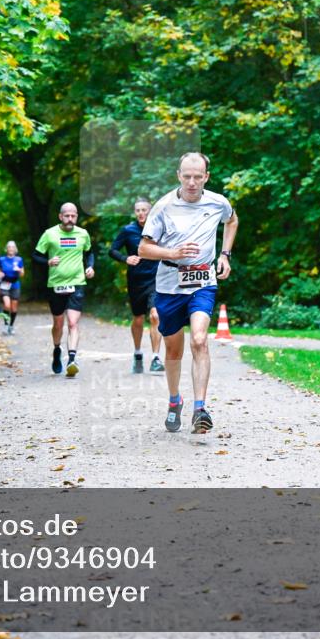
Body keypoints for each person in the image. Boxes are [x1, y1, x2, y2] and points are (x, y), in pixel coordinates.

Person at [138, 152, 238, 434]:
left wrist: (225, 254)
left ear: (206, 176)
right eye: (187, 176)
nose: (192, 182)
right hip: (169, 285)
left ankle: (200, 409)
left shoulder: (218, 202)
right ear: (178, 176)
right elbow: (143, 249)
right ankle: (174, 401)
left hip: (203, 281)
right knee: (173, 349)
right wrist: (173, 252)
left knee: (199, 339)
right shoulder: (163, 206)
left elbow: (232, 221)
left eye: (197, 177)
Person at [32, 203, 94, 377]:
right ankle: (57, 349)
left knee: (73, 323)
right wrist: (48, 262)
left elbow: (89, 252)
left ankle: (72, 359)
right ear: (60, 217)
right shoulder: (49, 234)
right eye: (67, 216)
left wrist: (90, 266)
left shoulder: (83, 234)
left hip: (77, 282)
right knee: (58, 323)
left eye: (73, 216)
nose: (70, 219)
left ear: (76, 217)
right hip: (56, 284)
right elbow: (35, 255)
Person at [110, 198, 164, 374]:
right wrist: (125, 258)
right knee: (138, 318)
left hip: (156, 278)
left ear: (150, 212)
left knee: (155, 315)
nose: (141, 213)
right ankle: (138, 353)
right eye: (138, 210)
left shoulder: (158, 228)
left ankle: (156, 358)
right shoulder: (128, 230)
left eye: (144, 210)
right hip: (136, 280)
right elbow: (112, 250)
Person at [0, 241, 25, 335]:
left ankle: (11, 326)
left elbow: (22, 274)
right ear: (6, 249)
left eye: (12, 247)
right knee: (7, 305)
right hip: (4, 284)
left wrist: (19, 270)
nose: (11, 249)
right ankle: (5, 325)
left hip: (15, 285)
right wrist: (0, 273)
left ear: (15, 249)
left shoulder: (19, 259)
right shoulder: (2, 259)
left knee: (14, 308)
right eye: (9, 247)